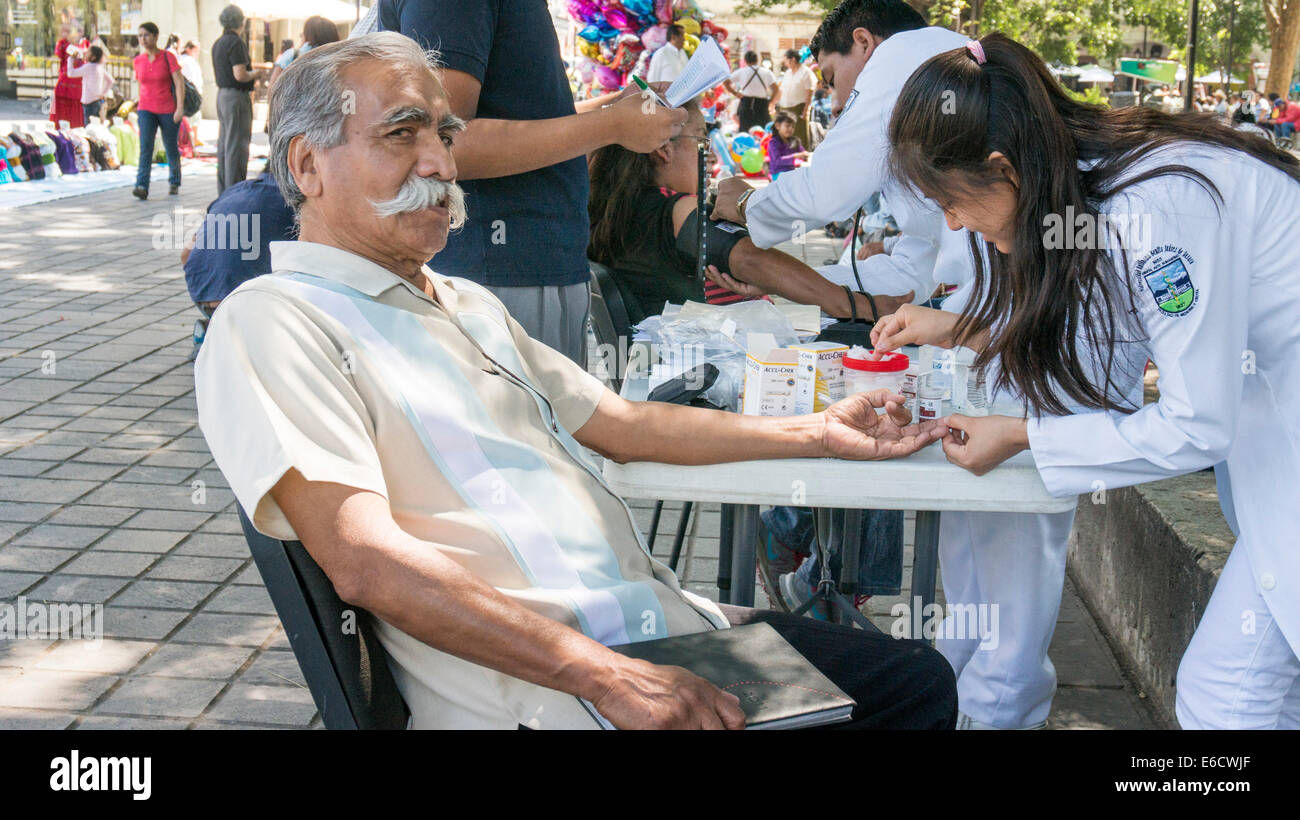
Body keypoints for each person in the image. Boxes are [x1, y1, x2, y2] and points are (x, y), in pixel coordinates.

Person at [194, 32, 957, 730]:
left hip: (641, 636)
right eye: (402, 133)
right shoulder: (276, 320)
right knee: (908, 691)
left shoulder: (461, 301)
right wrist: (606, 673)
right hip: (550, 694)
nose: (439, 162)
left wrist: (819, 432)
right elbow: (366, 560)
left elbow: (622, 424)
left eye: (444, 133)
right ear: (305, 165)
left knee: (914, 676)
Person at [711, 0, 1142, 731]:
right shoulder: (984, 152)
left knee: (1010, 561)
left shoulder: (915, 66)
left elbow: (832, 191)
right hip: (1013, 351)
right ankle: (963, 700)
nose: (838, 97)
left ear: (863, 41)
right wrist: (942, 320)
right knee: (975, 551)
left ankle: (998, 710)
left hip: (1049, 374)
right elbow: (945, 256)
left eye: (834, 76)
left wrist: (750, 209)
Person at [879, 32, 1300, 730]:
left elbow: (1194, 423)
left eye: (951, 202)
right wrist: (953, 371)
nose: (954, 223)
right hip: (1275, 451)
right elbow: (1094, 355)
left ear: (1002, 168)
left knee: (1229, 698)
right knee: (1239, 694)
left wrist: (1019, 435)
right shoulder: (1102, 190)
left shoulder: (1157, 208)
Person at [380, 0, 688, 367]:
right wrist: (612, 126)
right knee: (524, 423)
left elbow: (523, 114)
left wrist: (612, 108)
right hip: (499, 273)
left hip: (520, 269)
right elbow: (440, 141)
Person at [587, 102, 911, 324]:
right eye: (701, 140)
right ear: (664, 149)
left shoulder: (621, 209)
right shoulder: (677, 210)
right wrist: (859, 306)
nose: (711, 154)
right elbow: (750, 260)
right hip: (709, 373)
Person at [181, 168, 295, 358]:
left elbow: (186, 255)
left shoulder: (233, 192)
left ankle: (215, 326)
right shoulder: (293, 200)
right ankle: (236, 332)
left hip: (203, 294)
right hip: (244, 301)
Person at [212, 5, 266, 193]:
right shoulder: (236, 43)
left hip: (222, 96)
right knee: (237, 146)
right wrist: (257, 73)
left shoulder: (218, 43)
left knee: (224, 146)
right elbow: (240, 75)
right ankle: (234, 191)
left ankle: (224, 191)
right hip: (236, 97)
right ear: (240, 22)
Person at [131, 22, 186, 199]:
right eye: (140, 36)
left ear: (155, 36)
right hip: (146, 108)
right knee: (146, 147)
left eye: (146, 35)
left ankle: (174, 181)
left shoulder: (167, 57)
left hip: (167, 109)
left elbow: (179, 83)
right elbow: (140, 85)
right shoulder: (138, 61)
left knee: (170, 146)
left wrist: (179, 108)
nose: (143, 39)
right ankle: (141, 185)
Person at [725, 51, 777, 133]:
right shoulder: (766, 72)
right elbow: (775, 89)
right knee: (763, 131)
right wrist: (770, 101)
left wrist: (735, 93)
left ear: (745, 61)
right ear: (757, 60)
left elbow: (726, 82)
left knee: (745, 130)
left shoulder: (742, 71)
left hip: (746, 103)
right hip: (762, 104)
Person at [775, 48, 815, 146]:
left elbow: (809, 92)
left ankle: (801, 156)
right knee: (785, 135)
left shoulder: (806, 72)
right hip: (784, 108)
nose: (785, 64)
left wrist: (806, 110)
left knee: (799, 135)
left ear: (792, 59)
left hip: (798, 108)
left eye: (786, 61)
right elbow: (782, 90)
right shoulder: (788, 73)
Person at [66, 45, 113, 123]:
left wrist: (71, 59)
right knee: (96, 125)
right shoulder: (99, 67)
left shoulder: (88, 67)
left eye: (88, 52)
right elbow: (110, 80)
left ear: (93, 57)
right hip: (97, 100)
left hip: (88, 102)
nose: (85, 53)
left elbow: (71, 73)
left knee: (89, 127)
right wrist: (103, 93)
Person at [54, 23, 88, 128]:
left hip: (77, 82)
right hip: (65, 81)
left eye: (80, 31)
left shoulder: (85, 44)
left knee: (76, 116)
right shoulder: (63, 43)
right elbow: (59, 55)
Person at [766, 110, 810, 177]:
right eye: (787, 126)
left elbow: (802, 153)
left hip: (791, 173)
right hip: (778, 174)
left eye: (792, 126)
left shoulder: (795, 141)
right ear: (777, 126)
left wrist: (805, 155)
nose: (790, 129)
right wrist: (795, 156)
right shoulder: (773, 143)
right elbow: (777, 161)